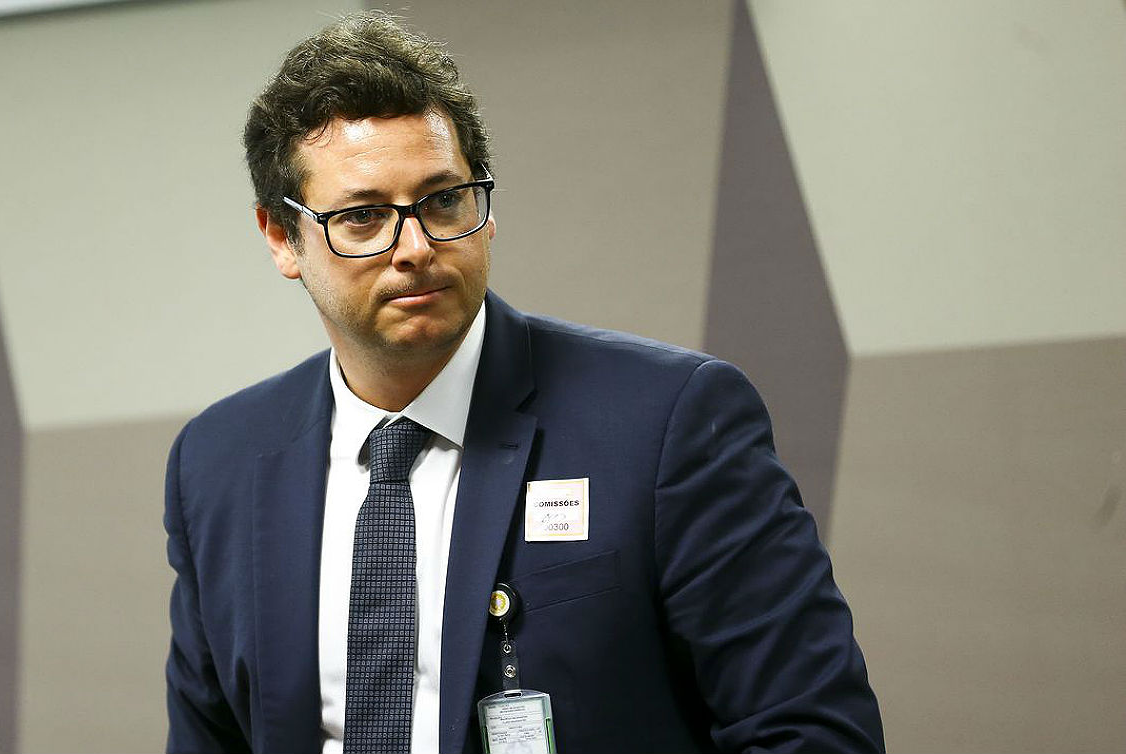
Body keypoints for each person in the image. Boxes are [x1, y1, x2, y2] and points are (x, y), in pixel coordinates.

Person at [164, 11, 883, 754]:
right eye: (364, 216)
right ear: (281, 238)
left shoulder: (665, 421)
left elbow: (812, 731)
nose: (415, 247)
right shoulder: (217, 463)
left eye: (444, 200)